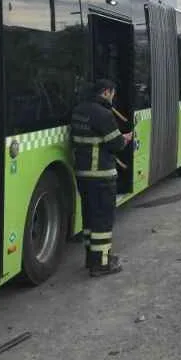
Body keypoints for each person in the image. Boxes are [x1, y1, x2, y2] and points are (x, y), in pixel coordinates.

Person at [71, 79, 132, 277]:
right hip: (101, 176)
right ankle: (101, 264)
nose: (113, 97)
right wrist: (125, 138)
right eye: (112, 93)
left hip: (83, 175)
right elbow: (116, 144)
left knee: (89, 219)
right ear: (106, 92)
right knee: (103, 222)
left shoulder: (79, 110)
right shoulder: (103, 114)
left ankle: (91, 258)